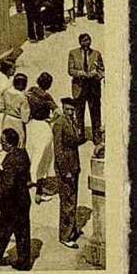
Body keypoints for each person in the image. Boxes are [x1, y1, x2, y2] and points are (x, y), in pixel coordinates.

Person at [0, 128, 32, 270]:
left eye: (3, 142)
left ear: (9, 144)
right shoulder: (23, 153)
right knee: (22, 231)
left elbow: (8, 184)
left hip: (11, 202)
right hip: (23, 199)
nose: (1, 144)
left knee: (3, 229)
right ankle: (24, 261)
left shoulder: (10, 160)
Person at [52, 97, 82, 248]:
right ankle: (65, 235)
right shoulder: (59, 123)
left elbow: (77, 140)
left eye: (72, 109)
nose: (70, 112)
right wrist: (65, 171)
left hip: (74, 164)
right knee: (67, 202)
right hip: (66, 167)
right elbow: (58, 150)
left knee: (72, 199)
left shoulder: (72, 121)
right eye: (68, 109)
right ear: (63, 108)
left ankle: (71, 229)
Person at [25, 72, 57, 203]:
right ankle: (39, 193)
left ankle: (28, 180)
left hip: (31, 126)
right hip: (43, 127)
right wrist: (51, 119)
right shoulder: (47, 97)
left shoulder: (31, 91)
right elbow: (58, 111)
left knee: (31, 154)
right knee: (43, 159)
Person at [68, 33, 104, 144]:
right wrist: (80, 73)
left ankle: (96, 136)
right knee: (79, 113)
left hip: (93, 89)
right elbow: (70, 70)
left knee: (96, 113)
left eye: (88, 40)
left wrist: (96, 73)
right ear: (80, 42)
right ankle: (80, 136)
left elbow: (102, 69)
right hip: (79, 88)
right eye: (84, 40)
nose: (86, 43)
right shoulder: (73, 53)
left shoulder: (96, 54)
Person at [0, 72, 31, 148]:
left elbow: (0, 108)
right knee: (18, 143)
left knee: (6, 140)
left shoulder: (6, 92)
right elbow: (25, 118)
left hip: (7, 119)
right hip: (17, 122)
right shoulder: (23, 98)